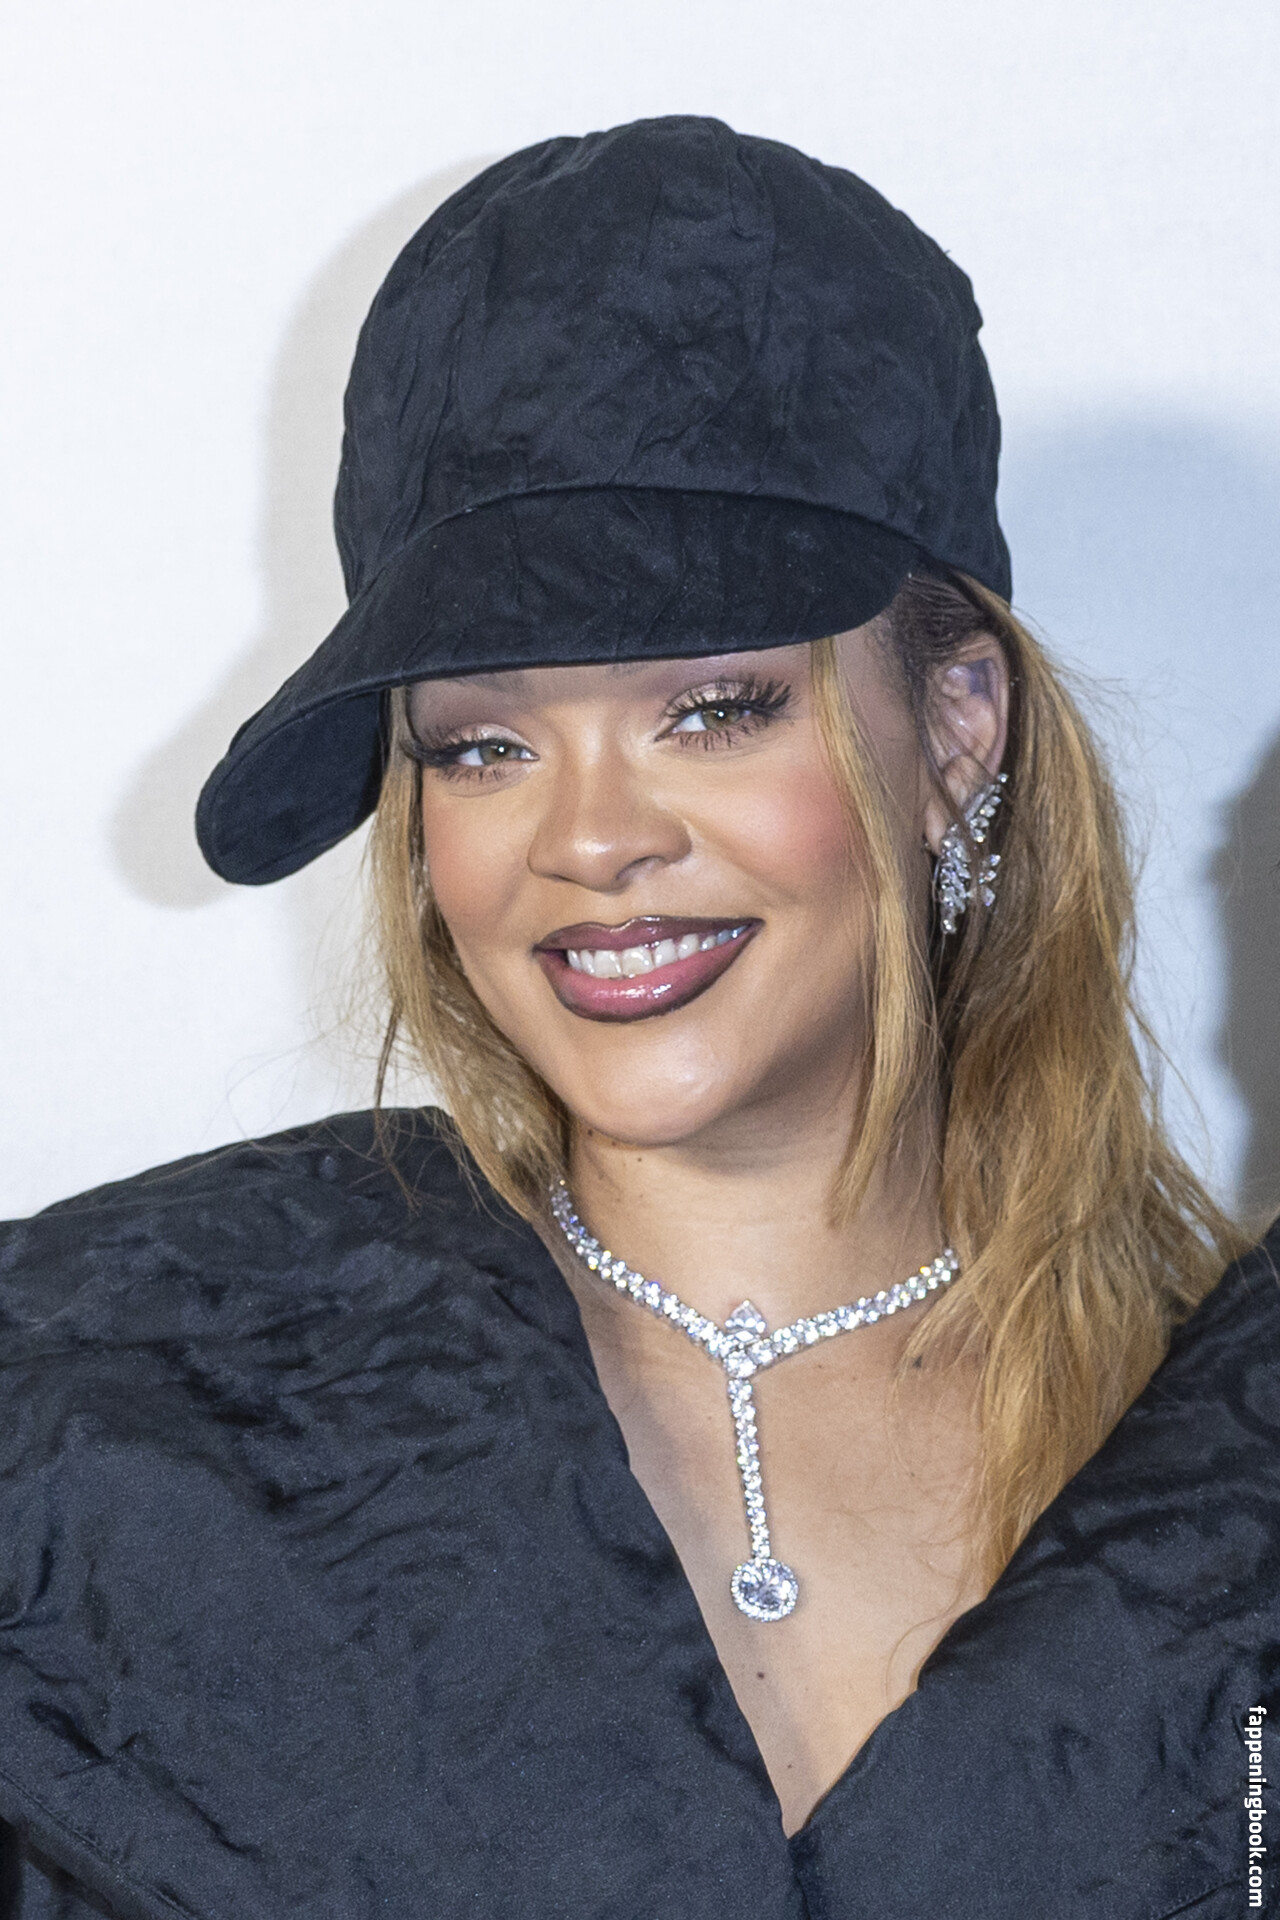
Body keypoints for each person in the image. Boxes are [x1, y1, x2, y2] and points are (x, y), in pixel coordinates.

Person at [0, 116, 1275, 1920]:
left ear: (954, 735)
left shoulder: (1225, 1460)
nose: (590, 838)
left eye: (713, 709)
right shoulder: (105, 1410)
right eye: (483, 745)